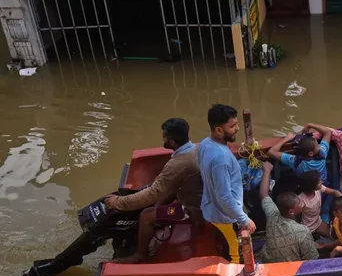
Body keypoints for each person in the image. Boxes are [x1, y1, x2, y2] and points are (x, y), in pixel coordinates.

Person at [104, 118, 203, 264]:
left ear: (172, 142)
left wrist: (118, 202)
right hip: (197, 196)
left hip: (194, 210)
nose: (162, 138)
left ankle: (139, 255)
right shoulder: (196, 149)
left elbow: (152, 194)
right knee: (162, 199)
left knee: (146, 215)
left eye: (164, 136)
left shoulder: (177, 164)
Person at [198, 104, 256, 264]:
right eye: (232, 126)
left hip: (212, 207)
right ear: (218, 130)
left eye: (237, 123)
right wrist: (244, 219)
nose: (237, 128)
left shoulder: (204, 144)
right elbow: (224, 196)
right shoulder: (221, 159)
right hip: (224, 216)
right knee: (234, 254)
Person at [258, 160, 320, 263]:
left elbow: (263, 194)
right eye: (299, 202)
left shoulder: (272, 214)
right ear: (291, 211)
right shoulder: (302, 231)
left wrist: (267, 170)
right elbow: (312, 259)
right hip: (289, 270)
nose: (301, 202)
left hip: (268, 263)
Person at [267, 122, 332, 185]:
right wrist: (310, 125)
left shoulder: (295, 161)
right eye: (317, 146)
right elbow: (328, 132)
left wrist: (286, 139)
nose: (319, 147)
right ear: (310, 153)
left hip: (306, 189)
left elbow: (271, 152)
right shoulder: (322, 153)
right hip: (322, 186)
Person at [297, 170, 342, 237]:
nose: (322, 182)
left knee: (336, 235)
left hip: (318, 223)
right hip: (306, 228)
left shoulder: (319, 189)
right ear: (311, 186)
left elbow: (335, 192)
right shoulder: (301, 200)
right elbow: (296, 217)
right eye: (319, 182)